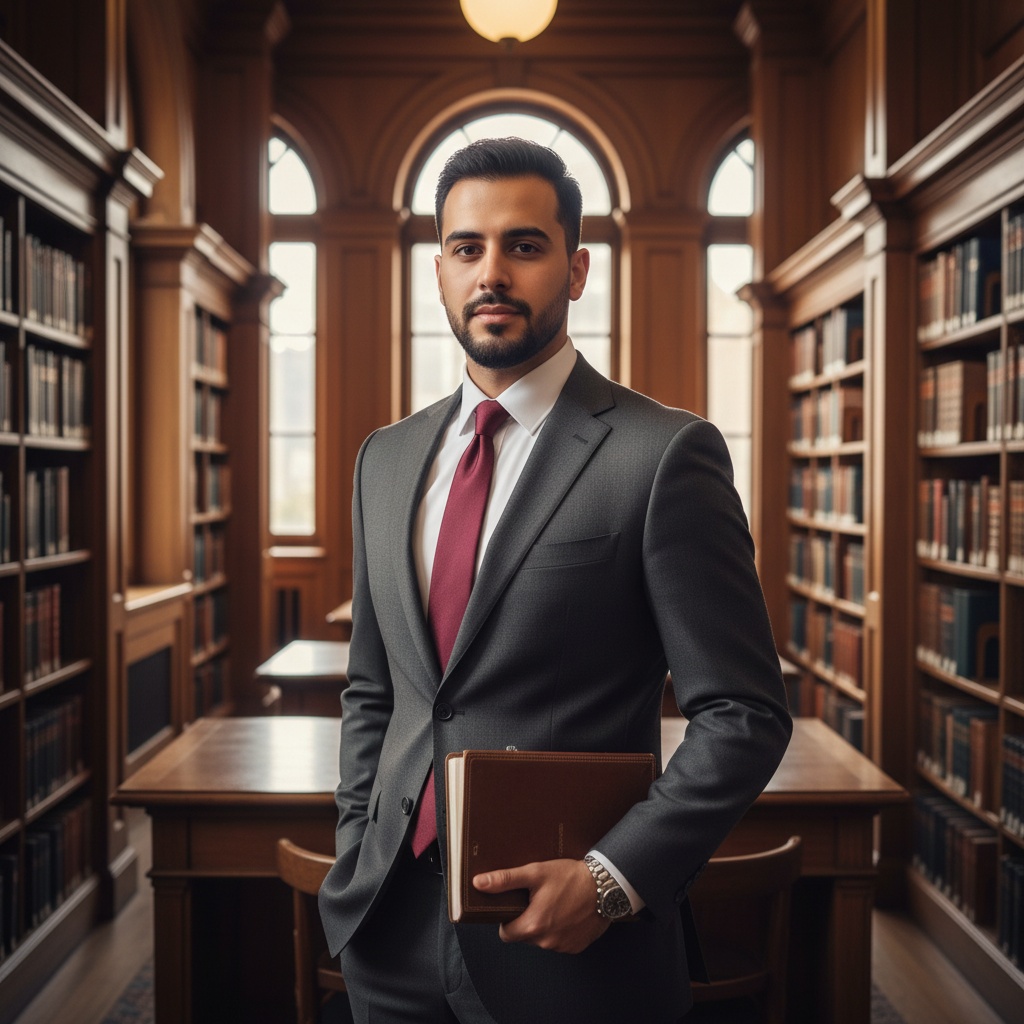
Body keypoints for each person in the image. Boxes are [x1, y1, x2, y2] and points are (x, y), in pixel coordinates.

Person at [318, 136, 792, 1024]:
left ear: (574, 270)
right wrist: (355, 847)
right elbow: (374, 692)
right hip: (385, 929)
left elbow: (745, 714)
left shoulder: (662, 456)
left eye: (523, 246)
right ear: (440, 270)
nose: (491, 272)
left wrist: (611, 883)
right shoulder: (384, 461)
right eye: (467, 248)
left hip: (571, 944)